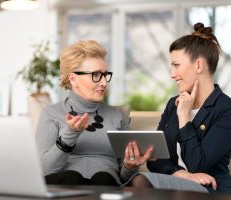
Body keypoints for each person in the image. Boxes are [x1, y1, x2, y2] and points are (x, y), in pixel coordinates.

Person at [123, 22, 231, 198]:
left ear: (199, 66)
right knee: (140, 180)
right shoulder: (173, 104)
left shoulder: (228, 110)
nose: (172, 74)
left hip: (213, 190)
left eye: (176, 65)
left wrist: (184, 117)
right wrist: (182, 175)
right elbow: (157, 160)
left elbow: (197, 164)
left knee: (140, 181)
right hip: (177, 186)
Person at [35, 40, 147, 186]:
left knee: (104, 178)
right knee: (71, 177)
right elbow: (45, 170)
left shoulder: (117, 116)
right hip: (65, 184)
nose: (104, 83)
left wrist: (129, 166)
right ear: (73, 79)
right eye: (96, 75)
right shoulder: (51, 114)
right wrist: (69, 135)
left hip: (105, 183)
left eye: (105, 75)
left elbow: (125, 178)